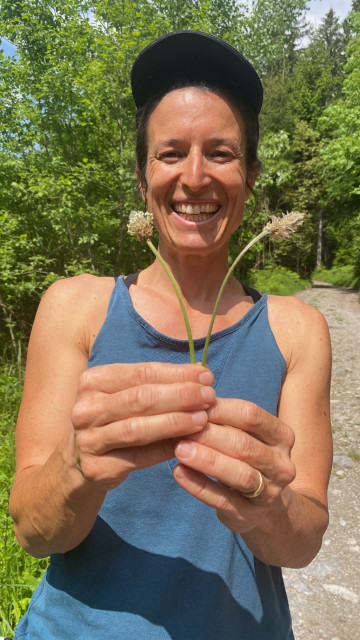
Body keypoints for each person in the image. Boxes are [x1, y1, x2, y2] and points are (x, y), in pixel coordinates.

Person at [10, 31, 332, 640]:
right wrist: (80, 466)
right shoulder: (74, 308)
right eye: (169, 153)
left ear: (251, 175)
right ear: (141, 177)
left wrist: (269, 506)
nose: (194, 176)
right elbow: (32, 531)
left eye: (221, 152)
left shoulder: (298, 330)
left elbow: (305, 540)